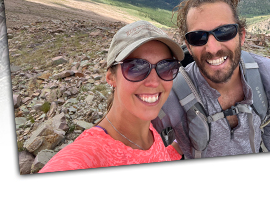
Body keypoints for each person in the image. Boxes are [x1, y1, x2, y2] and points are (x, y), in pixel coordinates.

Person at [154, 0, 270, 157]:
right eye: (198, 37)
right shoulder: (170, 96)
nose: (212, 48)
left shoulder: (268, 76)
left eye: (224, 32)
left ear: (241, 36)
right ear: (188, 46)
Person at [39, 21, 185, 172]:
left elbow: (153, 156)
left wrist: (177, 148)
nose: (154, 82)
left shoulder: (148, 130)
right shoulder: (88, 156)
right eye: (136, 67)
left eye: (166, 66)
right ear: (111, 77)